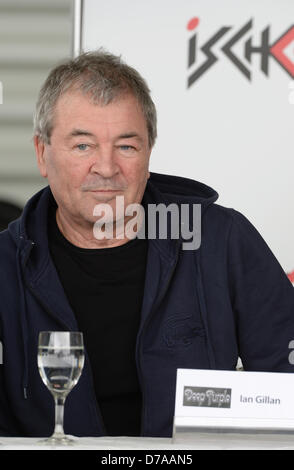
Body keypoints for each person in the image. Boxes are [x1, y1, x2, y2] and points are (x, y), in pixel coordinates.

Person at [0, 50, 294, 439]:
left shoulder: (218, 240)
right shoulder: (5, 265)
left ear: (148, 153)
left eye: (126, 146)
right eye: (83, 146)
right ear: (42, 153)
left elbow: (287, 379)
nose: (106, 168)